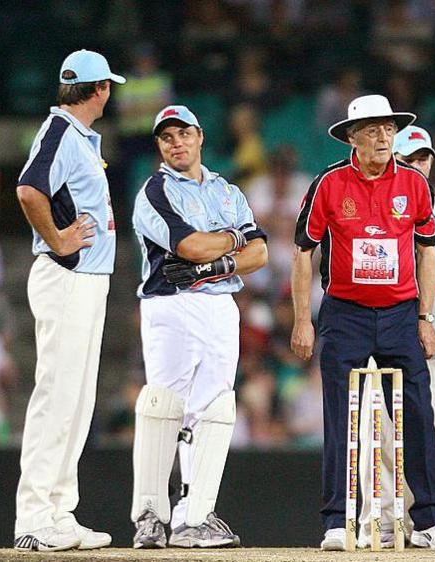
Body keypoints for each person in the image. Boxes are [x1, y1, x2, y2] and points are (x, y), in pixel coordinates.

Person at [291, 95, 435, 551]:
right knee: (338, 417)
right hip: (343, 313)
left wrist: (427, 317)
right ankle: (335, 522)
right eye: (371, 129)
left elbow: (429, 252)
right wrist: (302, 320)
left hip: (401, 312)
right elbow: (303, 252)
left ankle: (428, 520)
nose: (383, 137)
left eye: (388, 128)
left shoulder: (414, 183)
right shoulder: (328, 183)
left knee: (419, 413)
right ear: (351, 137)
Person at [130, 105, 268, 549]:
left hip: (220, 305)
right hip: (170, 305)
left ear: (200, 136)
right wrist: (233, 242)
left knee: (213, 409)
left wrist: (221, 257)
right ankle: (150, 516)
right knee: (162, 405)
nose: (177, 143)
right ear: (159, 145)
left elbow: (261, 253)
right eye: (167, 137)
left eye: (183, 133)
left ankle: (195, 516)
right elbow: (189, 245)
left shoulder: (227, 191)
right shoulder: (154, 190)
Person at [13, 49, 125, 552]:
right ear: (99, 89)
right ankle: (35, 516)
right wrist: (59, 239)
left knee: (76, 403)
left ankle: (59, 510)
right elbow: (29, 190)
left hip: (86, 279)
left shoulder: (75, 135)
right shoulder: (59, 131)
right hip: (66, 276)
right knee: (56, 396)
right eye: (109, 88)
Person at [352, 124, 435, 547]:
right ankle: (382, 519)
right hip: (390, 326)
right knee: (381, 428)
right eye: (411, 158)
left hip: (427, 330)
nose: (419, 166)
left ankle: (419, 522)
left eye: (425, 158)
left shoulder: (434, 207)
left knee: (424, 428)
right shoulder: (379, 199)